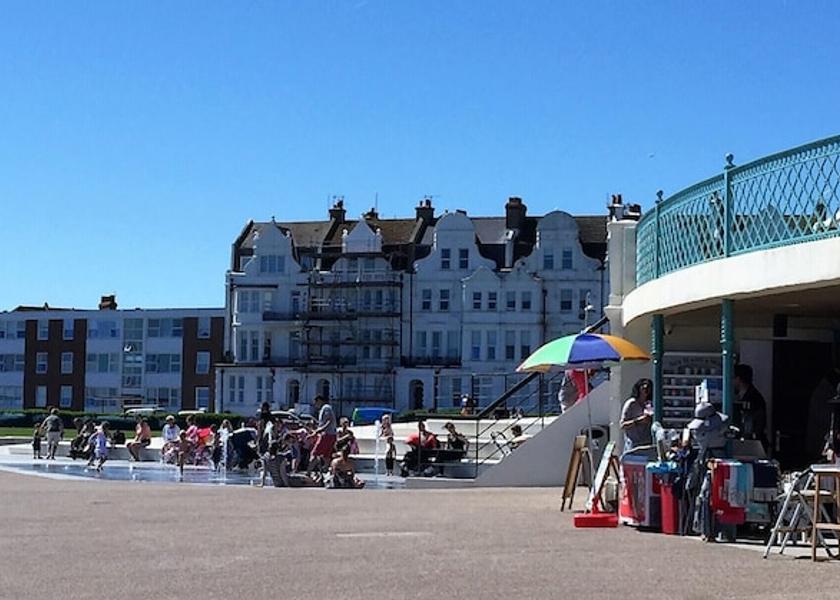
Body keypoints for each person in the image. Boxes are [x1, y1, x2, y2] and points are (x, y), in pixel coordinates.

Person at [733, 364, 768, 450]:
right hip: (745, 442)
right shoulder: (740, 396)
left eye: (733, 378)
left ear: (738, 379)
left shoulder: (754, 398)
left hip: (752, 444)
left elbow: (757, 423)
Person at [620, 378, 653, 453]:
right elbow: (622, 425)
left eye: (648, 387)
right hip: (633, 444)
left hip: (647, 443)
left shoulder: (650, 404)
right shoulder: (631, 403)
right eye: (643, 386)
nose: (645, 388)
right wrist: (638, 421)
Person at [309, 395, 337, 475]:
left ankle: (308, 473)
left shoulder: (326, 408)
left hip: (326, 435)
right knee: (326, 456)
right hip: (331, 435)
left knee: (314, 454)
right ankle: (325, 472)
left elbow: (329, 421)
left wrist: (319, 430)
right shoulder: (324, 409)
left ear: (320, 400)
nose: (315, 404)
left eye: (316, 402)